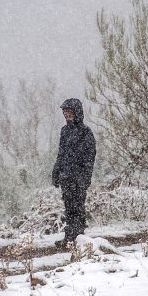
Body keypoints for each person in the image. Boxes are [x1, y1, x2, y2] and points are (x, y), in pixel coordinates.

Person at [52, 98, 96, 248]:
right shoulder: (64, 131)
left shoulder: (85, 132)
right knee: (69, 208)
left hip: (79, 178)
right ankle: (69, 237)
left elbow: (90, 156)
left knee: (78, 207)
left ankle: (79, 238)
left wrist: (86, 177)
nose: (67, 115)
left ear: (77, 112)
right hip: (66, 177)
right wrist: (56, 171)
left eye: (69, 112)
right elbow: (61, 153)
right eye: (65, 112)